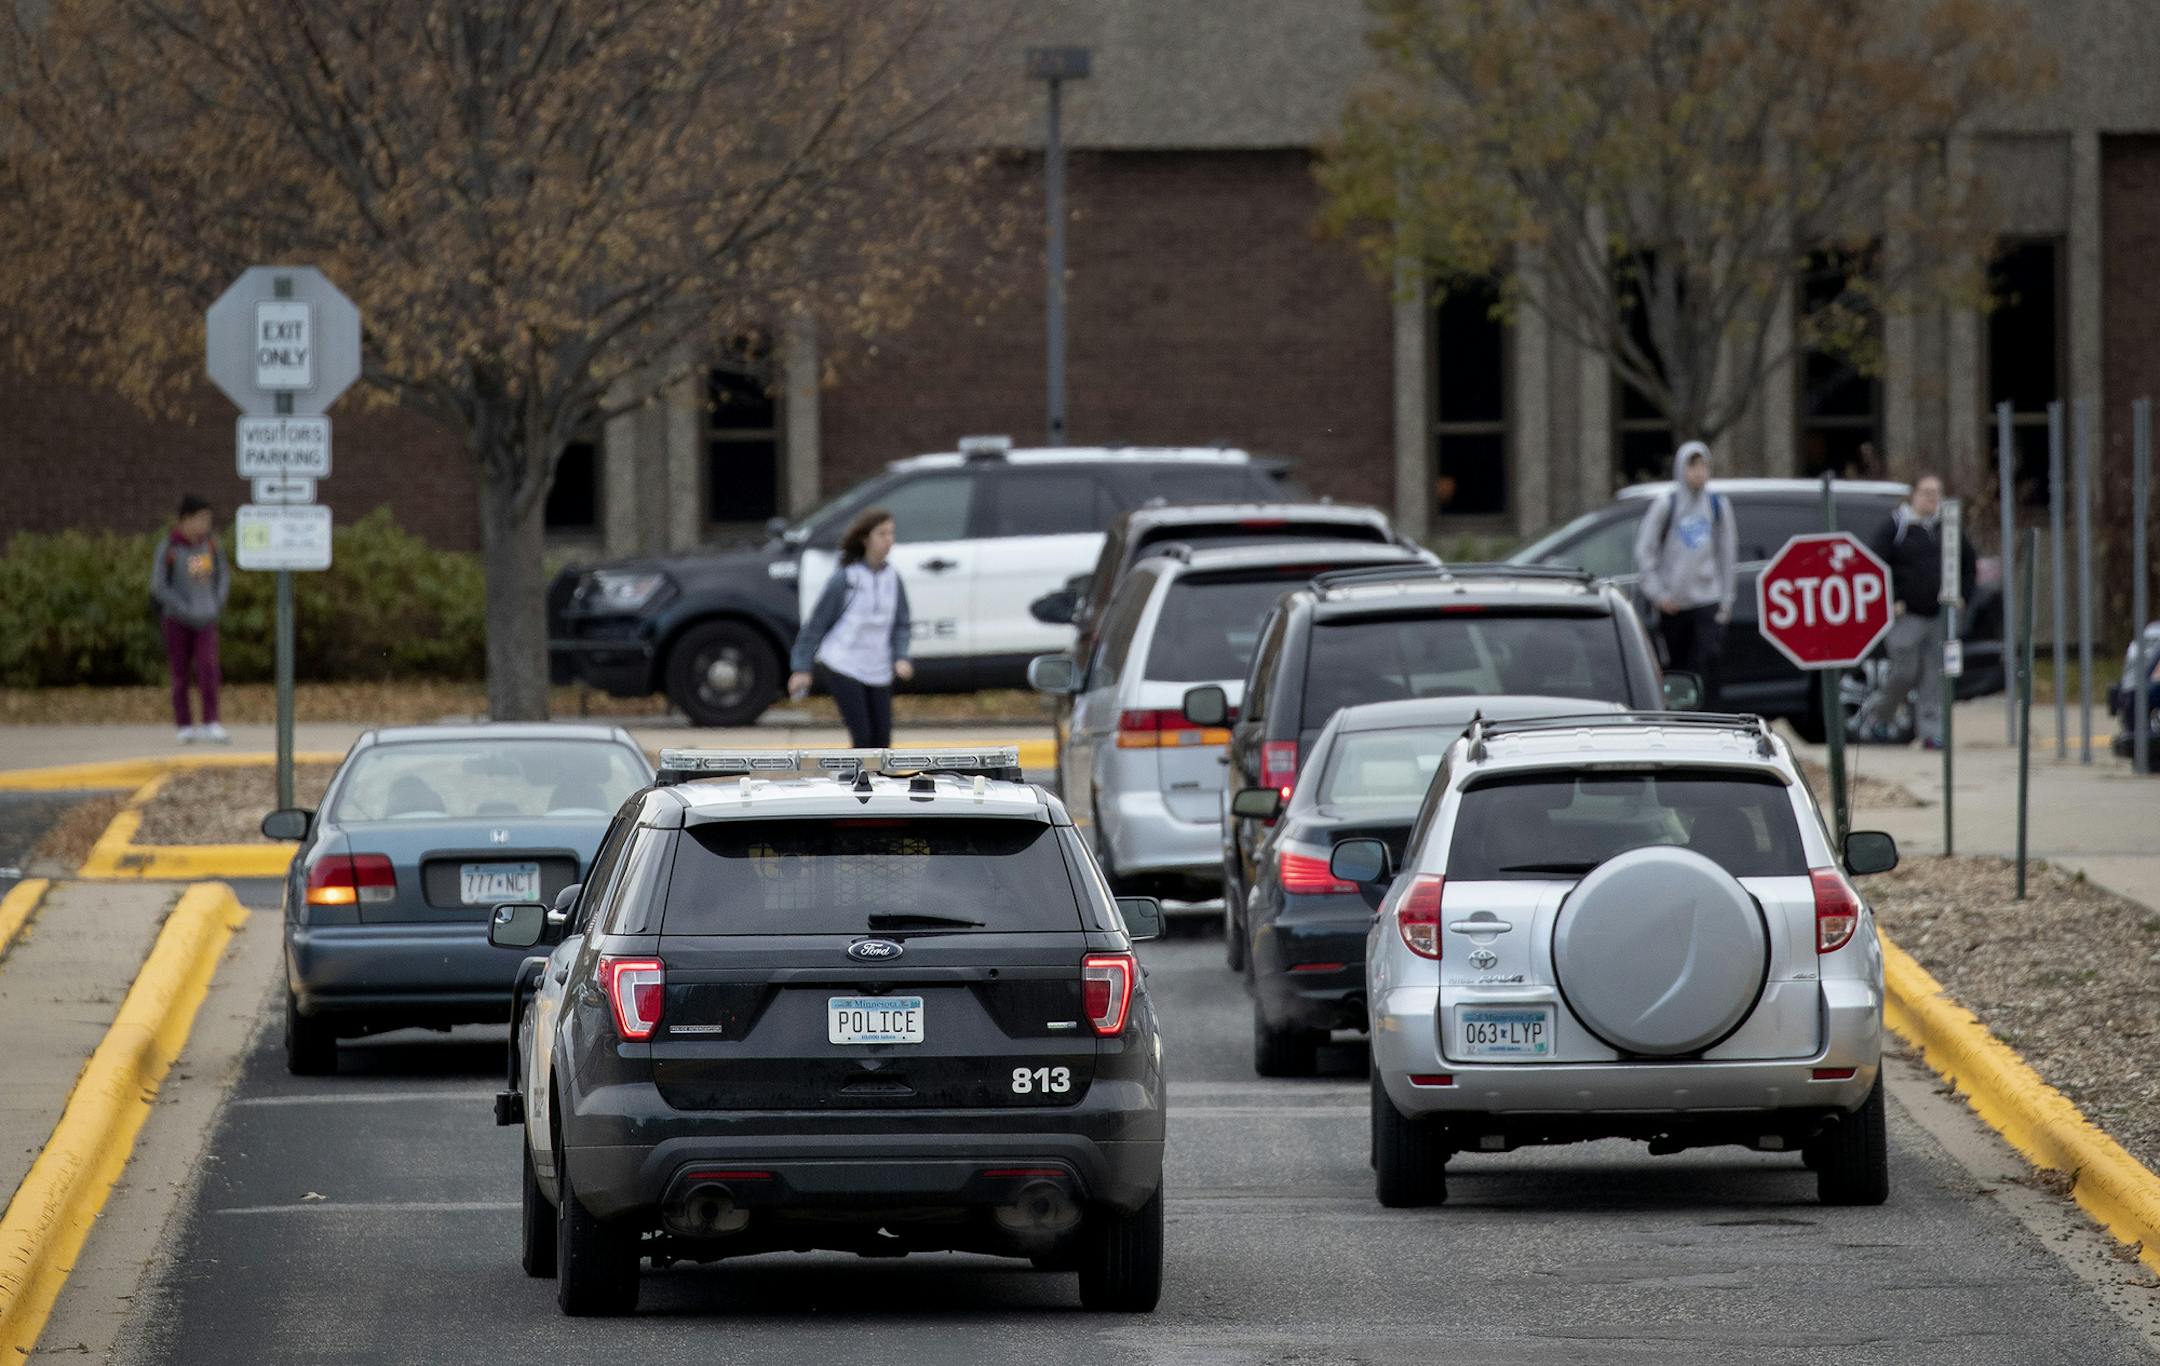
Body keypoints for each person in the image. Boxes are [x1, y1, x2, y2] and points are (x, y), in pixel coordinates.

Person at [1855, 473, 1976, 750]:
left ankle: (1932, 733)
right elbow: (1875, 563)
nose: (1932, 498)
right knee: (1904, 672)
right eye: (1926, 492)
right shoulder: (1897, 526)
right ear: (1914, 495)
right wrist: (1892, 598)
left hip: (1940, 615)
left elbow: (1969, 564)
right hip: (1906, 614)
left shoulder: (1948, 528)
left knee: (1935, 675)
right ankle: (1880, 717)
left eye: (1937, 493)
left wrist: (1963, 596)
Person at [787, 507, 914, 748]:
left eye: (891, 533)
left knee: (882, 741)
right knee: (863, 736)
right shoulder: (846, 579)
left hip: (878, 667)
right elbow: (817, 624)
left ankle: (879, 781)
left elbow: (901, 624)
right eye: (882, 533)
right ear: (865, 538)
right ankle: (854, 781)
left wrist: (901, 656)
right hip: (844, 663)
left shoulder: (892, 578)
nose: (889, 540)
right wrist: (802, 667)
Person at [1633, 440, 1737, 704]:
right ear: (1681, 469)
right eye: (1693, 466)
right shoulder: (1666, 505)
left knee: (1707, 665)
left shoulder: (1717, 505)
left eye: (1704, 466)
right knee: (1676, 671)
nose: (1699, 472)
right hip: (1674, 604)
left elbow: (1727, 554)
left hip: (1707, 601)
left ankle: (1712, 720)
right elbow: (1645, 550)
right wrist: (1658, 594)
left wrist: (1725, 601)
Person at [150, 494, 230, 744]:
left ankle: (211, 721)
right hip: (178, 620)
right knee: (180, 673)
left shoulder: (211, 546)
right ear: (186, 520)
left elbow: (223, 577)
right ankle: (184, 724)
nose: (205, 524)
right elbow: (159, 585)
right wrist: (183, 608)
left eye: (208, 519)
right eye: (200, 519)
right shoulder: (171, 547)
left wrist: (215, 604)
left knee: (208, 668)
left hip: (206, 618)